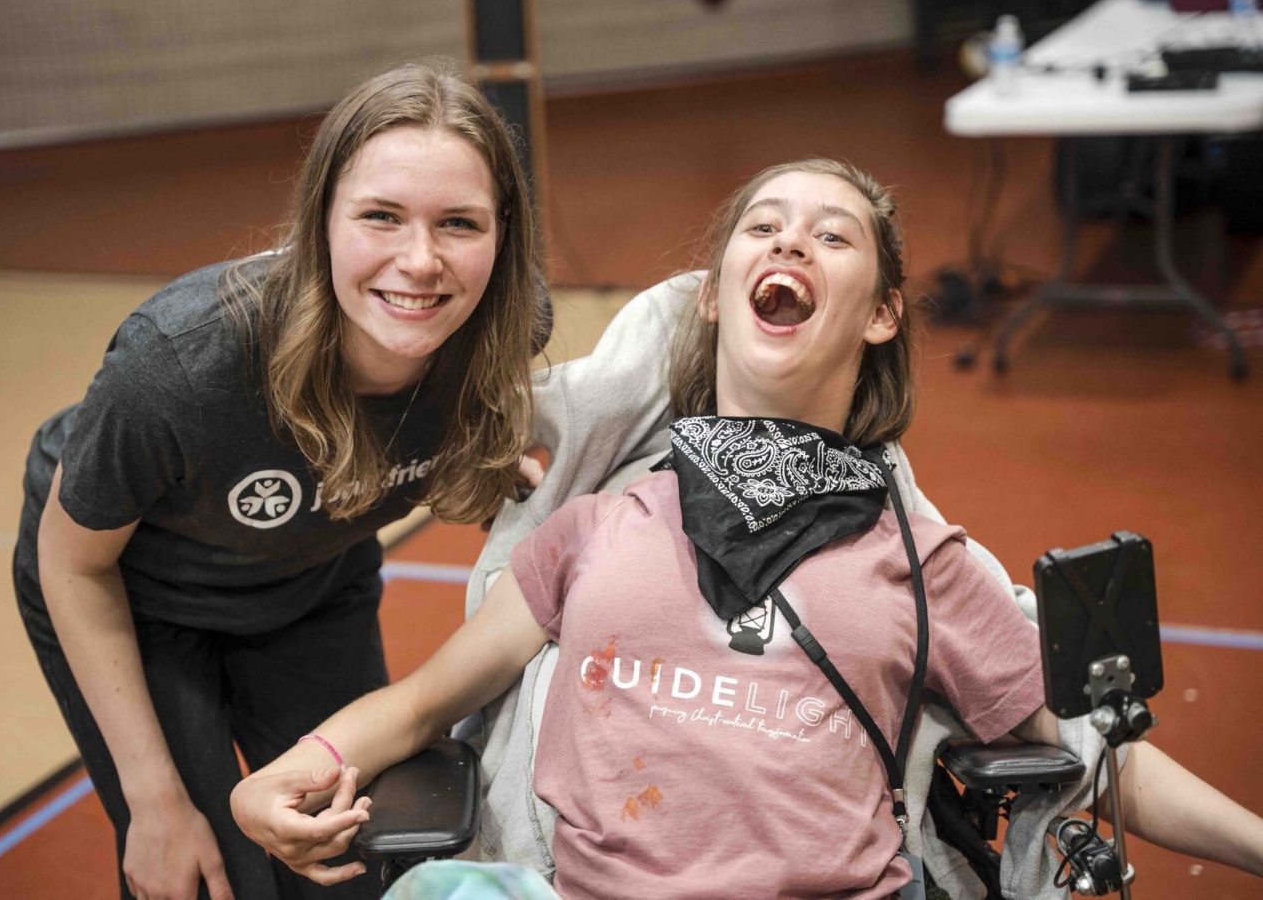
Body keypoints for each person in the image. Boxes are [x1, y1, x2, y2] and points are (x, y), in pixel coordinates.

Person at [230, 159, 1263, 898]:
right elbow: (415, 708)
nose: (787, 241)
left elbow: (1094, 747)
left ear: (879, 315)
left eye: (831, 234)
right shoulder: (590, 531)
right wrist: (281, 775)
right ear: (715, 299)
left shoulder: (917, 557)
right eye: (763, 225)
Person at [12, 61, 550, 900]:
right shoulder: (183, 366)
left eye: (459, 223)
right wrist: (152, 802)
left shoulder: (497, 333)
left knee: (348, 864)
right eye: (381, 216)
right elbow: (74, 565)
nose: (421, 261)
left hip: (309, 583)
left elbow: (439, 442)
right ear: (320, 219)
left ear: (503, 233)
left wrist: (478, 455)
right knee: (203, 871)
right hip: (134, 595)